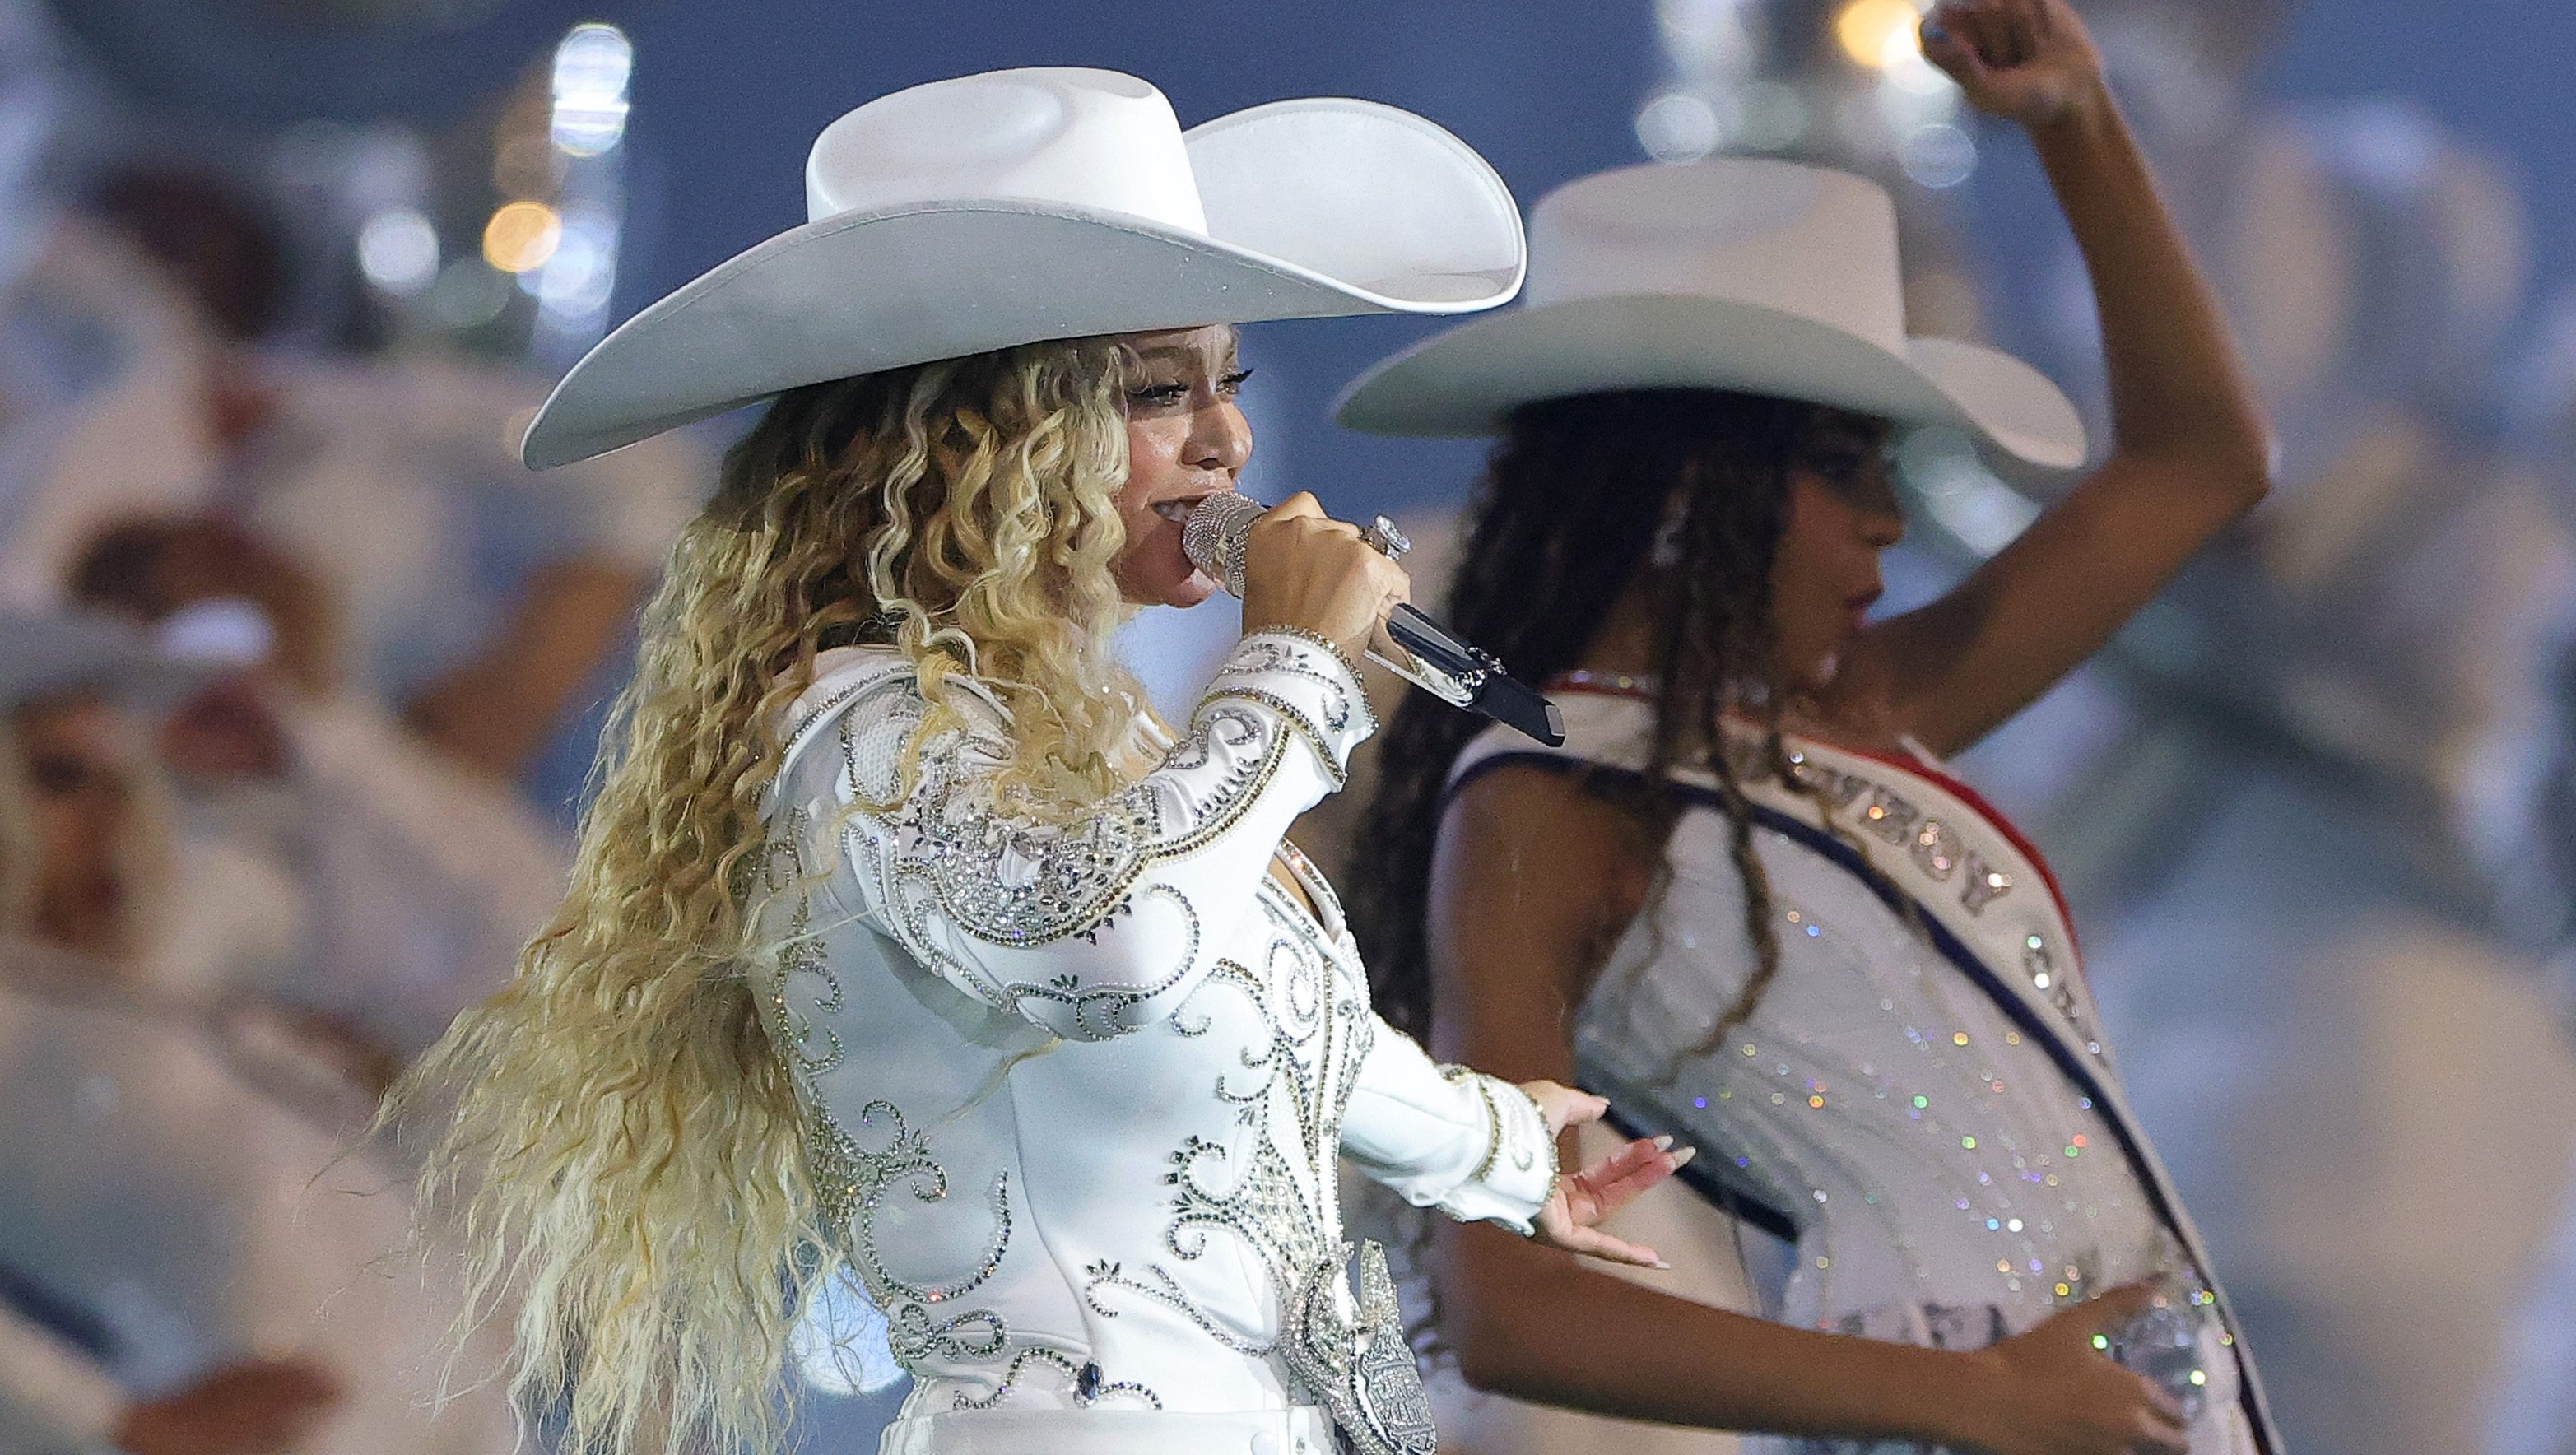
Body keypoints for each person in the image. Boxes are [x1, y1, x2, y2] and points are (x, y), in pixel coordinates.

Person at [396, 67, 1686, 1455]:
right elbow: (1102, 947)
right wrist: (1298, 664)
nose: (1229, 439)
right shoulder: (861, 737)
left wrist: (1504, 1150)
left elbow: (1248, 1025)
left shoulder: (1094, 752)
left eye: (1227, 384)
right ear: (981, 437)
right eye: (1155, 392)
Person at [1339, 3, 2278, 1453]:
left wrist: (2077, 125)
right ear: (1680, 491)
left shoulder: (1853, 715)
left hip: (2125, 1398)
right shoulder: (1544, 795)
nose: (1892, 519)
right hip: (1956, 1408)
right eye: (1842, 469)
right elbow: (1507, 1300)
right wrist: (1981, 1403)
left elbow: (2199, 464)